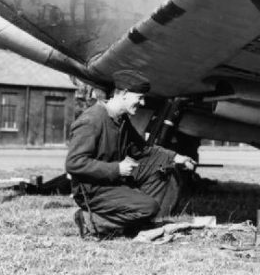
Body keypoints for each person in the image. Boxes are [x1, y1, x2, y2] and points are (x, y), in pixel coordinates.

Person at [67, 70, 196, 238]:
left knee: (164, 168)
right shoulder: (91, 120)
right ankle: (91, 222)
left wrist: (175, 158)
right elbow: (74, 163)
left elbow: (141, 150)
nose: (142, 102)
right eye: (140, 97)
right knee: (149, 207)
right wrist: (116, 169)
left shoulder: (121, 120)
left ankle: (139, 222)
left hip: (110, 182)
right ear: (125, 94)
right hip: (92, 190)